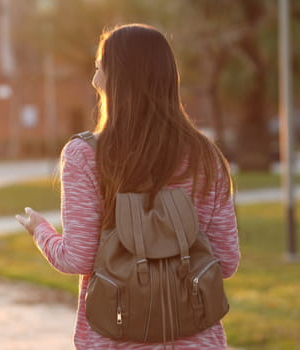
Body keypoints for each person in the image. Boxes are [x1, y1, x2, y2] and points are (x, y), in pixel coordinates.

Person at [16, 24, 240, 349]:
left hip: (114, 338)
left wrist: (40, 231)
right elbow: (226, 261)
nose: (94, 82)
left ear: (116, 80)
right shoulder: (206, 156)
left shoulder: (85, 156)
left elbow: (78, 259)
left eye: (99, 70)